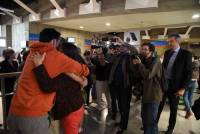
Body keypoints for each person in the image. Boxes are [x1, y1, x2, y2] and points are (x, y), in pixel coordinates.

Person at [8, 28, 89, 134]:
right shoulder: (58, 57)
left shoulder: (32, 53)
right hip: (34, 116)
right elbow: (85, 70)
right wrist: (78, 77)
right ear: (55, 41)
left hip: (13, 112)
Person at [31, 42, 88, 134]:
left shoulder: (68, 70)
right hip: (73, 106)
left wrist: (38, 65)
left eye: (58, 52)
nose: (56, 54)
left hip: (71, 109)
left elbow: (48, 87)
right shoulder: (75, 67)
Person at [157, 34, 192, 134]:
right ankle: (153, 124)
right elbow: (163, 68)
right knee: (159, 105)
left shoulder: (186, 54)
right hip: (164, 84)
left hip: (176, 87)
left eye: (171, 41)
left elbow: (188, 73)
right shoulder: (167, 52)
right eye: (169, 41)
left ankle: (170, 128)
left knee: (173, 108)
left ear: (178, 41)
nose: (169, 43)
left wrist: (183, 88)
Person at [132, 43, 163, 134]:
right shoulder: (144, 60)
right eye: (142, 49)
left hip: (153, 94)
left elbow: (148, 75)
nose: (143, 51)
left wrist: (140, 64)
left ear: (151, 51)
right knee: (144, 116)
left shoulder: (156, 60)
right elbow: (138, 75)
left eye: (145, 49)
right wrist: (136, 65)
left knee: (151, 119)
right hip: (145, 94)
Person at [0, 49, 18, 116]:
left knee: (13, 101)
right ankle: (7, 116)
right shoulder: (2, 64)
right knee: (7, 102)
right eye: (13, 53)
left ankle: (13, 115)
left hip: (14, 85)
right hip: (6, 86)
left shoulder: (15, 63)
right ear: (9, 55)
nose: (15, 54)